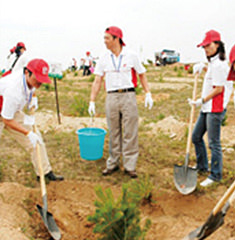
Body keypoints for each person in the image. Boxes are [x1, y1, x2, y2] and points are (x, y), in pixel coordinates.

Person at [88, 26, 153, 178]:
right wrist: (92, 100)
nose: (104, 41)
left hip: (128, 95)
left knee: (130, 131)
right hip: (111, 96)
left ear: (117, 39)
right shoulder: (103, 57)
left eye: (107, 38)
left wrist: (148, 93)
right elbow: (98, 80)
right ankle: (113, 162)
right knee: (113, 130)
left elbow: (142, 75)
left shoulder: (131, 55)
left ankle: (130, 165)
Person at [0, 59, 64, 182]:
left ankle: (44, 172)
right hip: (4, 111)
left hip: (11, 110)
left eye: (42, 79)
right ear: (27, 73)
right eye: (37, 79)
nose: (39, 82)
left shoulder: (29, 80)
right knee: (31, 135)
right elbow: (7, 120)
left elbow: (31, 88)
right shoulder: (14, 90)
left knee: (37, 141)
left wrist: (33, 98)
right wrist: (27, 133)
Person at [188, 30, 230, 187]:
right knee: (196, 137)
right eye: (204, 46)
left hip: (215, 108)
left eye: (208, 45)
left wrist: (201, 100)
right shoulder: (214, 63)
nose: (206, 49)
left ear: (217, 45)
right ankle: (202, 166)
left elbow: (219, 88)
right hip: (207, 108)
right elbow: (214, 75)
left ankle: (215, 175)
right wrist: (203, 68)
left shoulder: (219, 64)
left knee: (213, 143)